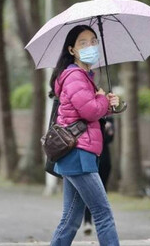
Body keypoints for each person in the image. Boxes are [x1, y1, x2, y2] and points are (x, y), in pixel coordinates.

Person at [48, 25, 120, 245]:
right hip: (79, 153)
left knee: (71, 219)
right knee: (103, 213)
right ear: (71, 50)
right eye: (83, 43)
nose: (91, 46)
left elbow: (89, 110)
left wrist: (109, 104)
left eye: (94, 41)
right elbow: (89, 111)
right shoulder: (74, 77)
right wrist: (102, 100)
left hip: (77, 154)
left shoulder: (84, 77)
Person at [82, 117, 114, 235]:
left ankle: (100, 222)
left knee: (102, 190)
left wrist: (108, 130)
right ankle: (87, 221)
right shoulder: (89, 113)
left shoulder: (109, 117)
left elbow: (110, 139)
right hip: (91, 157)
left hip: (104, 159)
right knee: (88, 190)